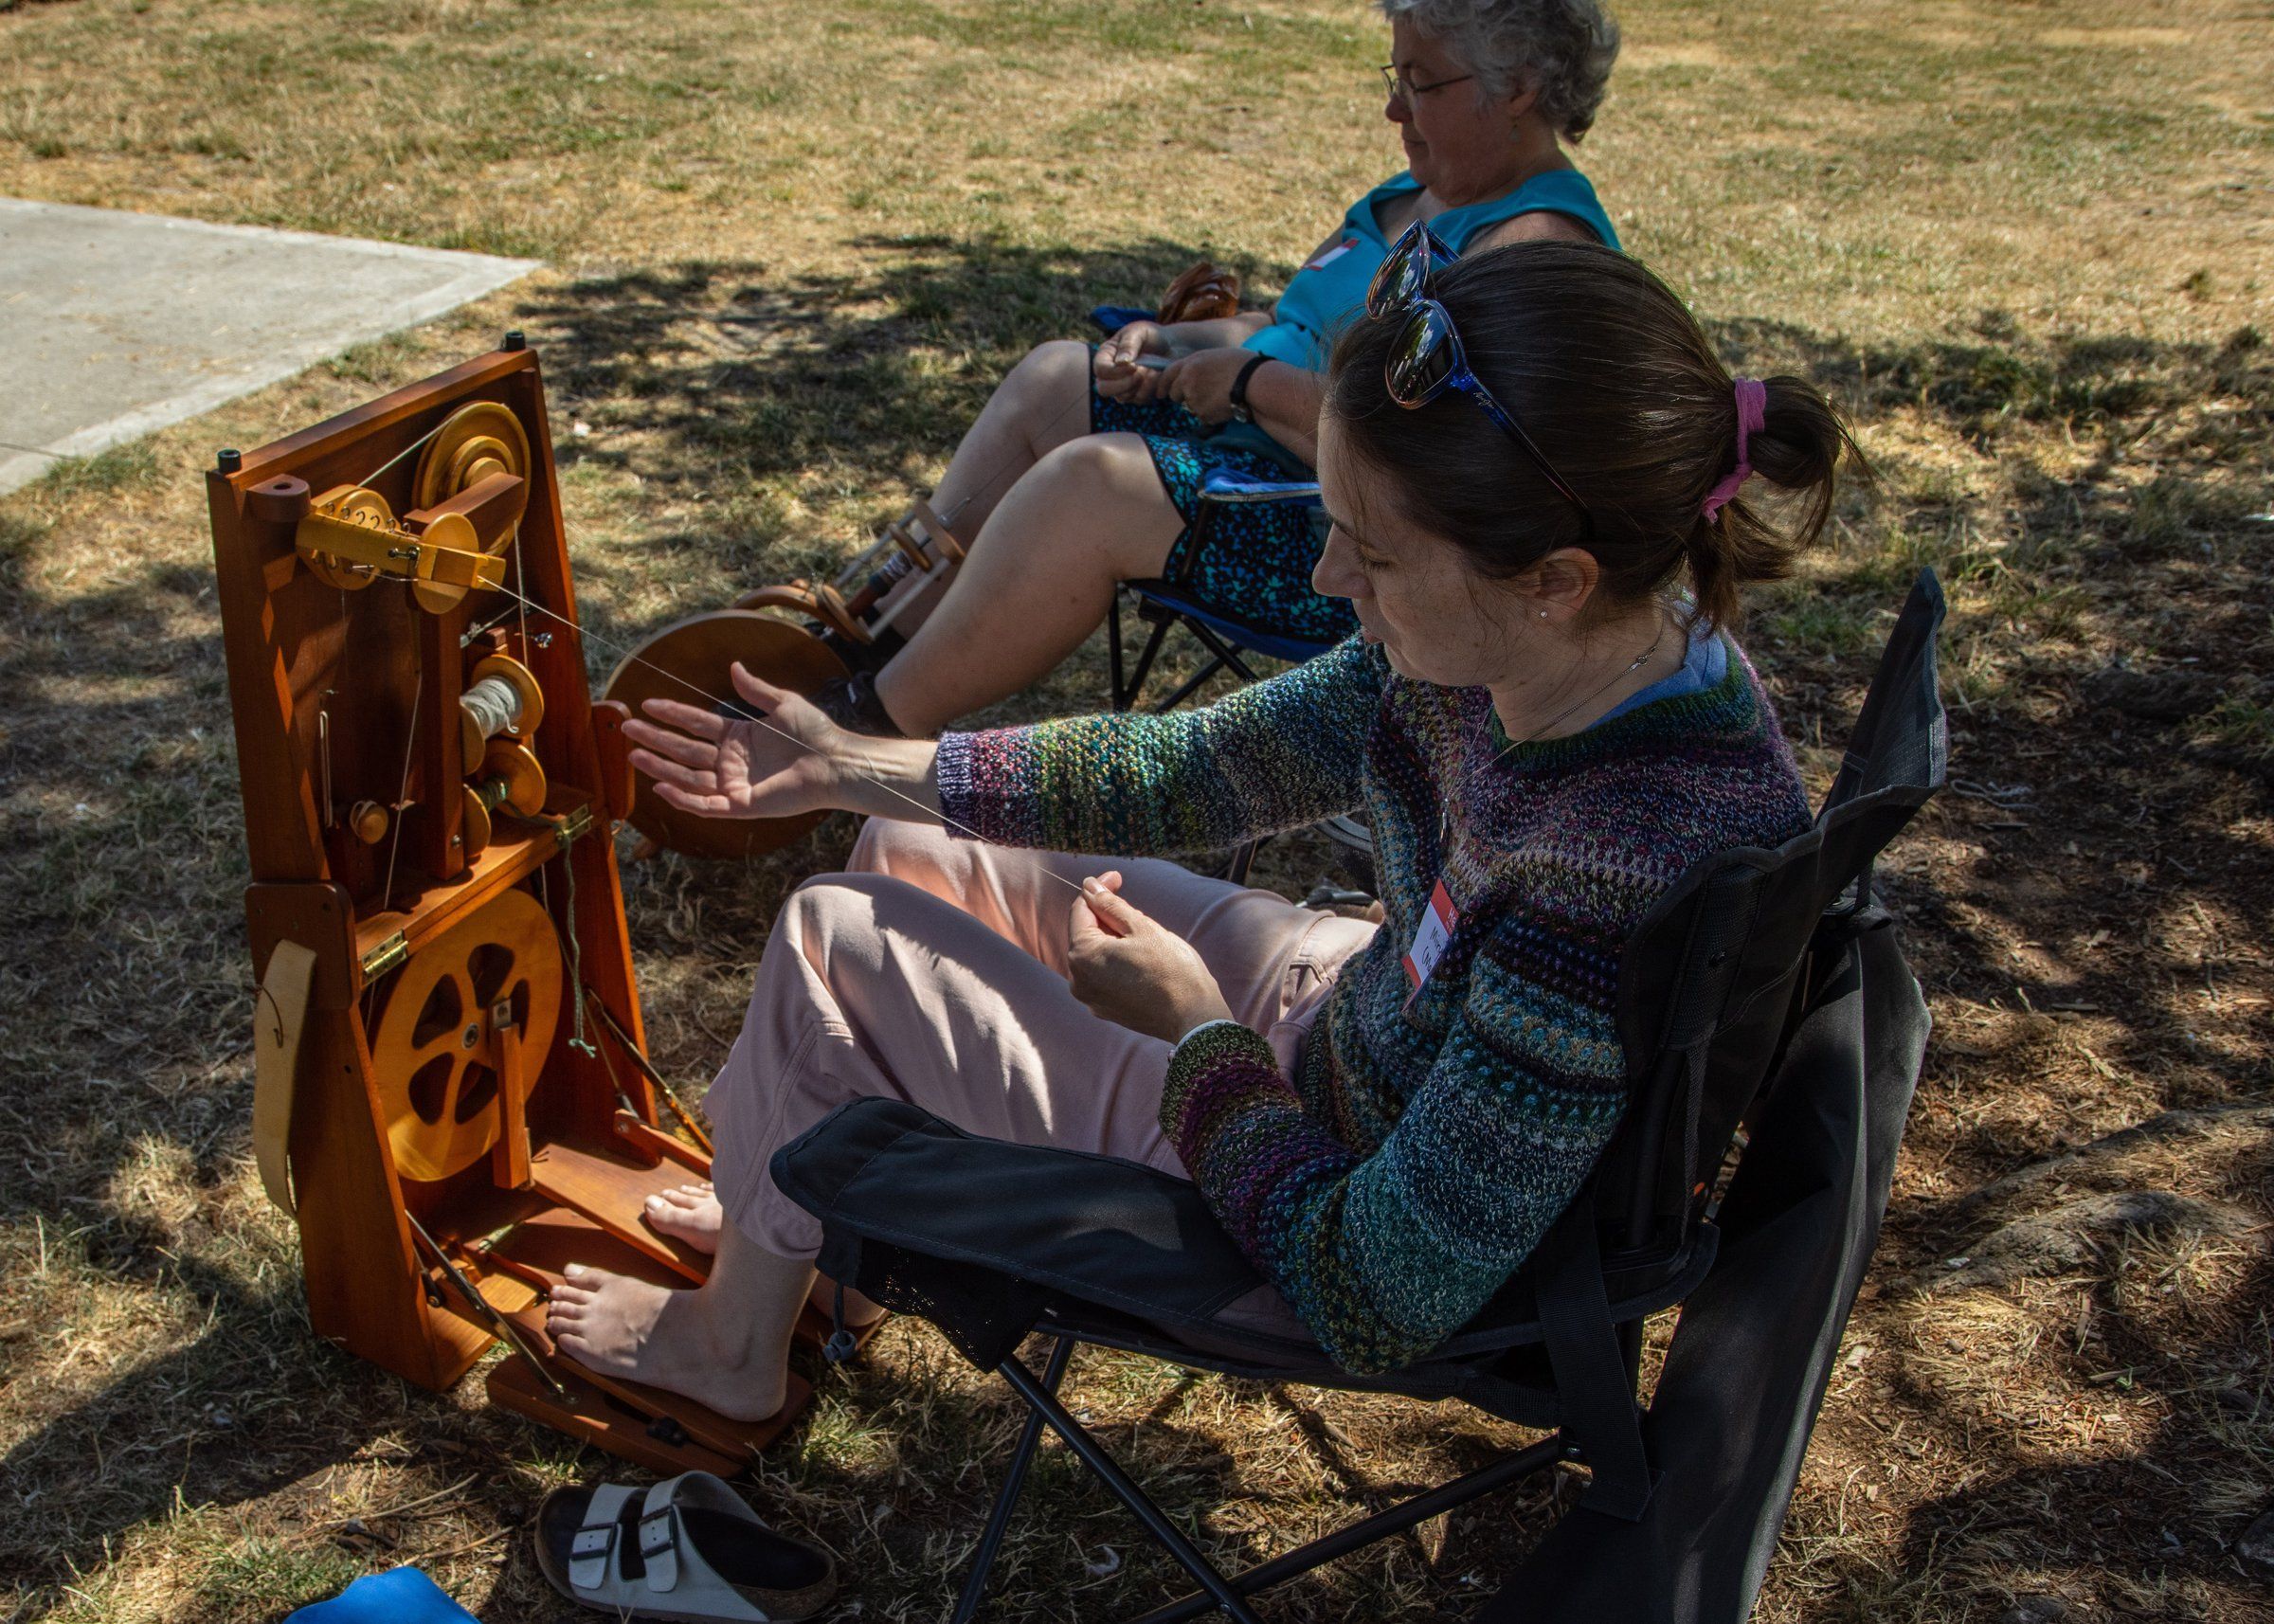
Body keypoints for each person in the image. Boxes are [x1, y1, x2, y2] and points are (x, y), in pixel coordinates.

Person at [543, 238, 1862, 1420]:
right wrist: (859, 764)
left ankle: (732, 1344)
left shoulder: (1604, 869)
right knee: (899, 848)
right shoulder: (1595, 637)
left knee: (833, 939)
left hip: (1314, 1183)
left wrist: (1196, 1035)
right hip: (1350, 1027)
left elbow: (1379, 1292)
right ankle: (797, 1216)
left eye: (1374, 555)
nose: (1334, 579)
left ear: (1555, 577)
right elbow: (1203, 764)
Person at [810, 0, 1625, 739]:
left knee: (1094, 482)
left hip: (1347, 542)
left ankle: (864, 730)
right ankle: (862, 636)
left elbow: (1438, 461)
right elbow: (1291, 324)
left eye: (1420, 85)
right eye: (1395, 78)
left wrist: (1246, 385)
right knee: (1058, 378)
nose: (1392, 108)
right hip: (1258, 450)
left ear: (1517, 87)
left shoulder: (1536, 247)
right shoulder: (1420, 190)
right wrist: (1172, 346)